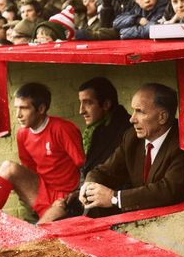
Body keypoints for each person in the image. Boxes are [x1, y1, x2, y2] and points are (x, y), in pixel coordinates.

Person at [78, 83, 184, 215]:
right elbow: (104, 171)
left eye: (140, 111)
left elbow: (169, 190)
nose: (132, 119)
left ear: (162, 117)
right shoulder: (131, 138)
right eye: (133, 110)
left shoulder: (182, 142)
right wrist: (89, 186)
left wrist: (114, 198)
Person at [0, 82, 85, 221]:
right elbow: (29, 168)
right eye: (17, 108)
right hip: (43, 190)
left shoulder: (63, 129)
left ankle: (48, 219)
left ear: (41, 108)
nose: (18, 115)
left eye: (24, 108)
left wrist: (73, 199)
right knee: (8, 167)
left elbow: (83, 166)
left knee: (39, 232)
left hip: (66, 197)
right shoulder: (22, 134)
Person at [39, 77, 132, 223]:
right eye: (80, 103)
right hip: (90, 198)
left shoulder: (125, 131)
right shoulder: (98, 129)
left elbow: (116, 177)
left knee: (54, 216)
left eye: (88, 103)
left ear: (106, 104)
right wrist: (78, 193)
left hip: (109, 209)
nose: (81, 110)